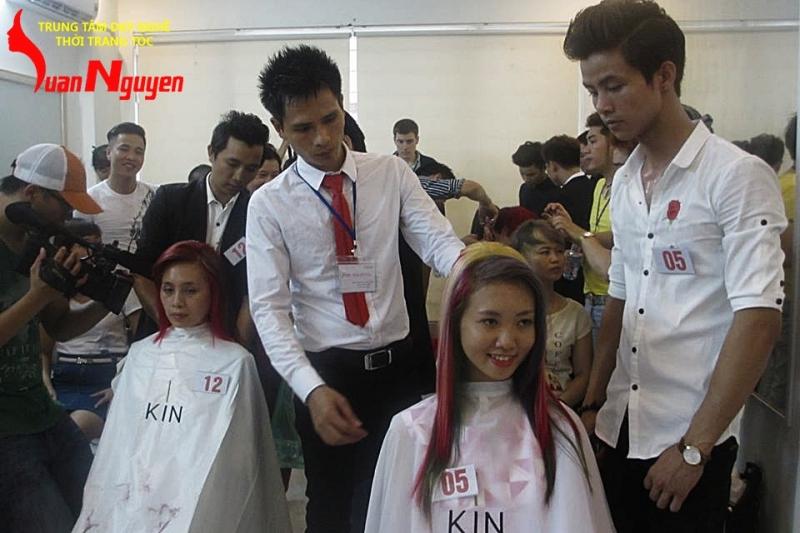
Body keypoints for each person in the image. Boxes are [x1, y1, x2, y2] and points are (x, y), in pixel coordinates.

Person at [564, 1, 786, 531]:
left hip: (689, 441)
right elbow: (619, 297)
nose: (602, 107)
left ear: (664, 76)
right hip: (618, 425)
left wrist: (695, 448)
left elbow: (758, 317)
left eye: (614, 86)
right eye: (592, 91)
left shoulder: (735, 176)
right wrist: (595, 403)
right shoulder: (624, 182)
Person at [250, 44, 465, 532]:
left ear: (342, 105)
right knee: (330, 508)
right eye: (303, 128)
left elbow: (437, 241)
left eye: (331, 119)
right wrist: (310, 389)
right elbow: (269, 310)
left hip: (401, 372)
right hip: (327, 375)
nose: (323, 138)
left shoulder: (389, 173)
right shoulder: (269, 204)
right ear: (279, 128)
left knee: (404, 502)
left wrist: (478, 273)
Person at [364, 242, 613, 532]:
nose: (507, 340)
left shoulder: (560, 428)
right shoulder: (412, 431)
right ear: (456, 323)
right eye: (490, 321)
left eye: (524, 322)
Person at [74, 240, 291, 533]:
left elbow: (241, 454)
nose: (177, 302)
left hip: (202, 494)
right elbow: (120, 441)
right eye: (168, 289)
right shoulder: (140, 355)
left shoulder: (234, 363)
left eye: (190, 291)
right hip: (136, 491)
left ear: (213, 292)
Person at [0, 143, 109, 532]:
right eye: (64, 206)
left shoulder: (38, 241)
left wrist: (107, 301)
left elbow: (58, 326)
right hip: (6, 429)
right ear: (32, 194)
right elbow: (39, 302)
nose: (69, 217)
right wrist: (38, 296)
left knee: (100, 513)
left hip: (43, 413)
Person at [41, 220, 141, 441]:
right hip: (63, 378)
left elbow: (142, 342)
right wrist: (46, 384)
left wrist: (120, 385)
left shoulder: (115, 287)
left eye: (98, 244)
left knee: (76, 429)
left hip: (103, 380)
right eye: (87, 245)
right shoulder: (55, 290)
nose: (94, 252)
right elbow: (44, 351)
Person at [514, 220, 593, 407]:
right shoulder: (509, 312)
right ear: (521, 257)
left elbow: (583, 375)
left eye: (559, 251)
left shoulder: (576, 313)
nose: (555, 259)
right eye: (545, 252)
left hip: (561, 407)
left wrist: (557, 410)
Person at [79, 122, 155, 255]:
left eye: (138, 152)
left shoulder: (155, 195)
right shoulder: (89, 200)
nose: (131, 157)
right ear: (109, 152)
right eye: (124, 149)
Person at [514, 141, 563, 217]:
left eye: (531, 175)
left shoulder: (557, 193)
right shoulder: (524, 188)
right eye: (522, 174)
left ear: (544, 168)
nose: (526, 179)